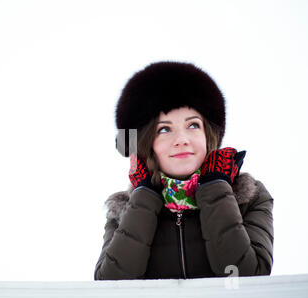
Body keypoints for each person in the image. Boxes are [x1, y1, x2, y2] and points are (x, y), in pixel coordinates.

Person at [94, 61, 274, 280]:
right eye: (164, 129)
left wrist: (215, 185)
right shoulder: (123, 208)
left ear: (209, 136)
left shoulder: (248, 197)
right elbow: (110, 285)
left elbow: (248, 278)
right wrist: (143, 196)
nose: (181, 140)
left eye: (193, 125)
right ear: (145, 144)